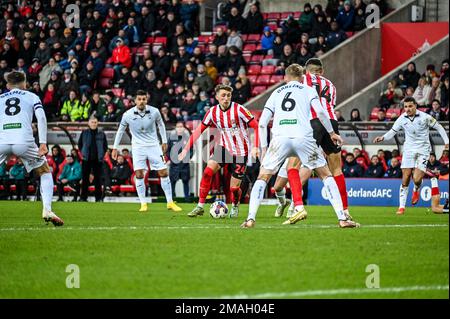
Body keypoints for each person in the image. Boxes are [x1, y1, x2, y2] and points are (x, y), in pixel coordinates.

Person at [241, 64, 354, 229]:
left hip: (280, 139)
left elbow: (263, 123)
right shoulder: (308, 90)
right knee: (326, 175)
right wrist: (331, 133)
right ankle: (342, 218)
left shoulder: (276, 93)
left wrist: (264, 148)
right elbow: (322, 113)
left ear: (285, 78)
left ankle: (250, 219)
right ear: (302, 77)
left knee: (263, 177)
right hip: (304, 138)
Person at [271, 58, 353, 221]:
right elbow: (329, 107)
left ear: (305, 70)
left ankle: (297, 206)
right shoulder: (331, 85)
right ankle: (345, 211)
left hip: (310, 123)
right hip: (331, 123)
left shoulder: (301, 81)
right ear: (321, 71)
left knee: (293, 166)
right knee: (336, 170)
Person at [178, 84, 260, 218]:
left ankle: (234, 205)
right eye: (223, 95)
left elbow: (256, 126)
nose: (226, 98)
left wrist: (256, 146)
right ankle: (200, 206)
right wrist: (186, 148)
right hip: (224, 148)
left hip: (240, 152)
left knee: (234, 188)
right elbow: (198, 131)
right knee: (207, 172)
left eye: (228, 95)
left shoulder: (239, 110)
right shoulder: (212, 112)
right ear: (217, 97)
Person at [0, 71, 63, 226]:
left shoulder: (0, 98)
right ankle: (47, 209)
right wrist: (42, 142)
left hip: (2, 140)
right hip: (24, 141)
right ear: (24, 83)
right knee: (44, 171)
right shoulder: (32, 96)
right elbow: (41, 117)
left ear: (8, 85)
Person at [374, 97, 449, 215]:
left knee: (417, 179)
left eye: (410, 106)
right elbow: (392, 131)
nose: (407, 109)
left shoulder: (425, 117)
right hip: (409, 150)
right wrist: (383, 137)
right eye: (405, 107)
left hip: (423, 150)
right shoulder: (402, 118)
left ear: (415, 106)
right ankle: (401, 207)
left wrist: (446, 142)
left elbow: (439, 127)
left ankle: (416, 189)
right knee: (405, 178)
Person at [112, 90, 182, 213]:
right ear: (135, 101)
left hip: (154, 145)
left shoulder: (154, 111)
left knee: (163, 172)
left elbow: (161, 125)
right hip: (138, 147)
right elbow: (120, 131)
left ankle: (170, 202)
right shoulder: (127, 114)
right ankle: (143, 203)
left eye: (143, 99)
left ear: (147, 99)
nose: (141, 101)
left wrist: (164, 141)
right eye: (139, 99)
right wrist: (114, 147)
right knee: (139, 174)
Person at [77, 116, 108, 202]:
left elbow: (105, 146)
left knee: (98, 180)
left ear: (97, 123)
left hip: (98, 160)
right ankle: (83, 198)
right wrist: (83, 153)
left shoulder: (101, 133)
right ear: (88, 123)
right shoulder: (84, 133)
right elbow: (80, 145)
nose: (94, 124)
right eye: (92, 122)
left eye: (95, 122)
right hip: (86, 159)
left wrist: (102, 155)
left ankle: (98, 198)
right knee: (85, 179)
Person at [168, 122, 192, 199]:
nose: (179, 128)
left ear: (184, 128)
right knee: (172, 182)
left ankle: (187, 199)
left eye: (181, 126)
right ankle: (171, 198)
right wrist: (171, 159)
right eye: (178, 127)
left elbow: (191, 150)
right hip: (174, 164)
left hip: (185, 164)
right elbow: (167, 150)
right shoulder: (171, 138)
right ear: (175, 128)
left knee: (185, 182)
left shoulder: (187, 138)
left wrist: (187, 158)